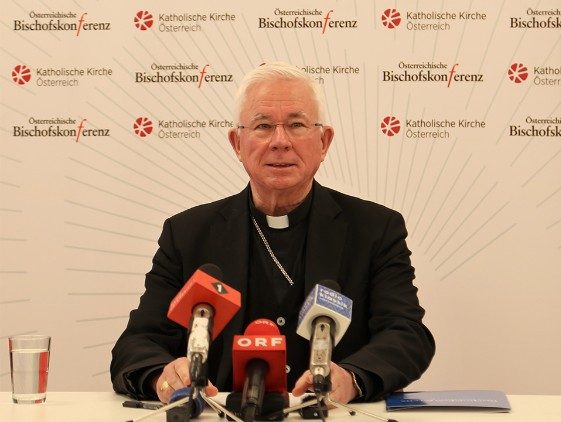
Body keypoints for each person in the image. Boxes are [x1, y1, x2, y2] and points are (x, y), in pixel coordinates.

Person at [110, 62, 435, 405]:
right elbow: (136, 344)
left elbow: (407, 334)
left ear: (324, 142)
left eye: (296, 125)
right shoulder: (188, 234)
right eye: (263, 126)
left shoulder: (375, 229)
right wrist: (164, 374)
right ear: (237, 143)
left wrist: (352, 378)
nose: (280, 142)